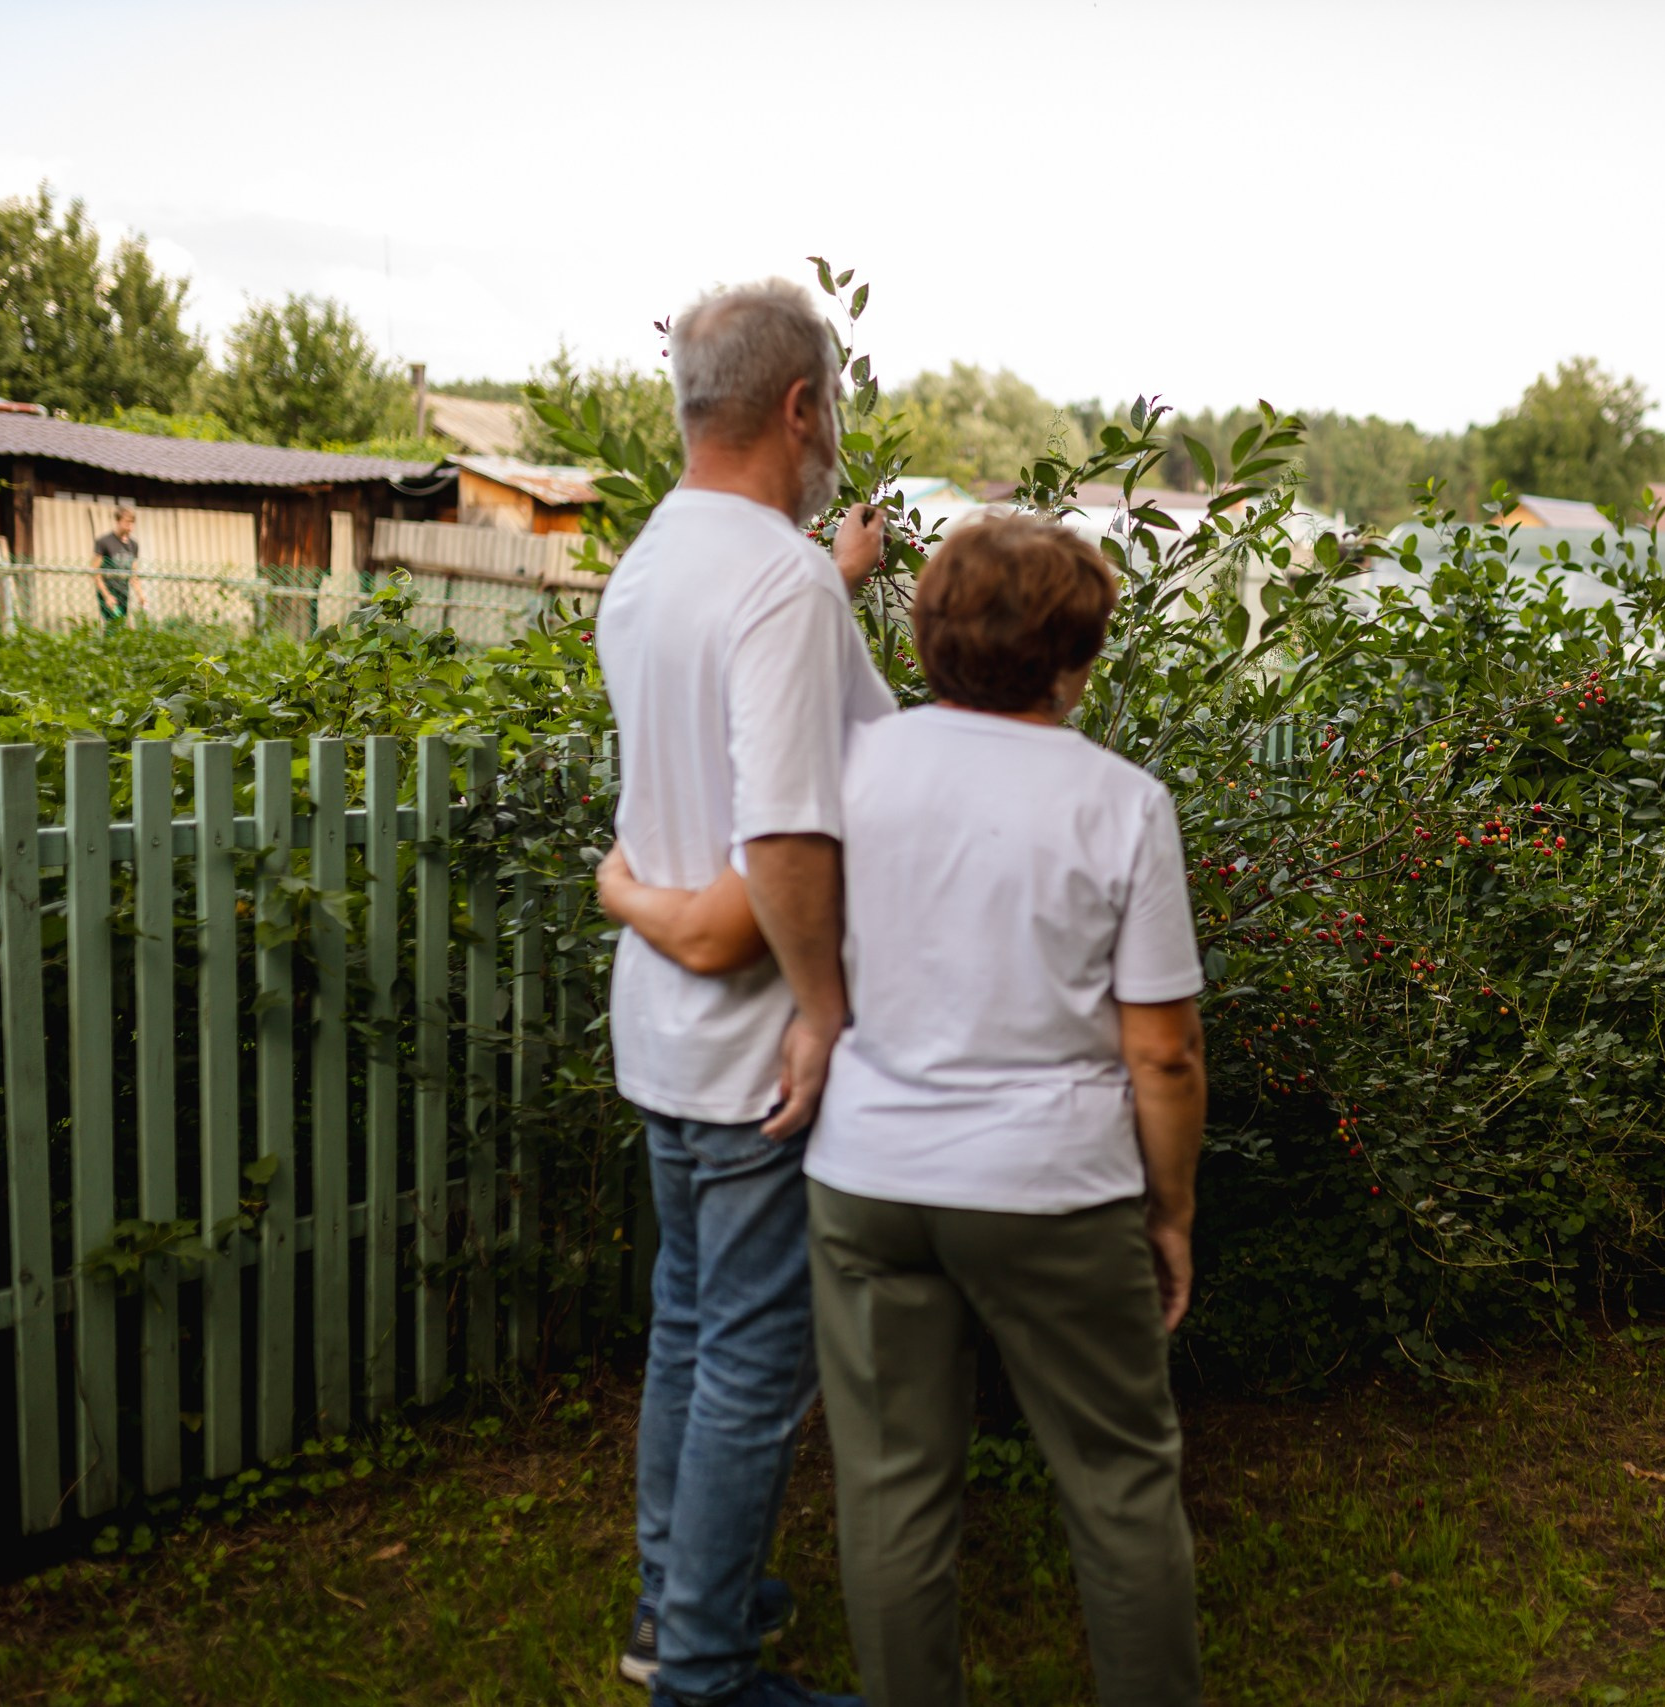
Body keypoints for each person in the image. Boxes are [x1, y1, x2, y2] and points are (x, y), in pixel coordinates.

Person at [601, 515, 1209, 1707]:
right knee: (1119, 1483)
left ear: (928, 639)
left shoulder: (849, 774)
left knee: (891, 1491)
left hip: (867, 1181)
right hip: (1053, 1191)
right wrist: (1171, 1209)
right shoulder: (1122, 803)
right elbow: (1165, 1050)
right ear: (1076, 656)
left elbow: (775, 890)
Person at [595, 276, 893, 1707]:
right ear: (800, 406)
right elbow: (778, 836)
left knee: (687, 1331)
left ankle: (674, 1610)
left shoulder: (656, 561)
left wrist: (834, 582)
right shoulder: (776, 580)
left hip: (661, 1032)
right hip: (754, 1055)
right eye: (830, 407)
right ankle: (705, 1671)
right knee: (753, 1367)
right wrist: (824, 1010)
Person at [92, 507, 138, 627]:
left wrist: (141, 595)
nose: (130, 526)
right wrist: (106, 596)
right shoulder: (104, 542)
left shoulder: (133, 545)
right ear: (118, 521)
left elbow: (134, 574)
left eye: (132, 523)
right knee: (112, 626)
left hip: (123, 592)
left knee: (121, 626)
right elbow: (95, 572)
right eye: (127, 522)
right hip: (109, 590)